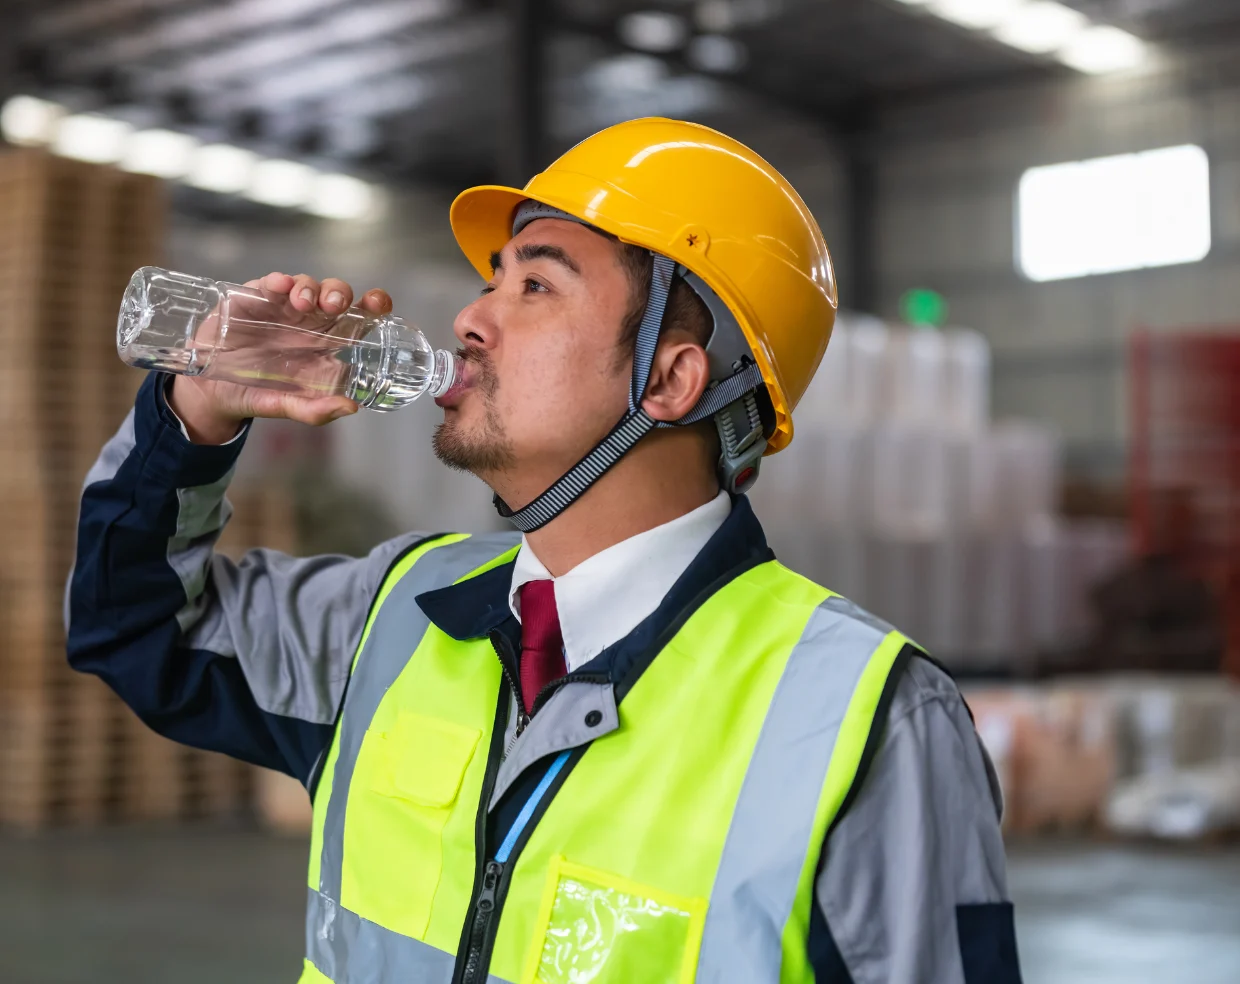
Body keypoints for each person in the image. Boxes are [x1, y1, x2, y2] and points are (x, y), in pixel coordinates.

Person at [68, 117, 1021, 984]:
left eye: (535, 284)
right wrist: (194, 415)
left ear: (671, 377)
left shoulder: (869, 725)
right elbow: (133, 622)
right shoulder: (391, 615)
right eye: (492, 282)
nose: (471, 321)